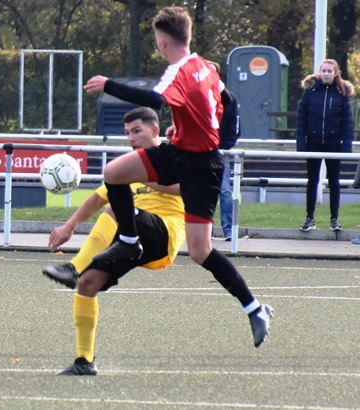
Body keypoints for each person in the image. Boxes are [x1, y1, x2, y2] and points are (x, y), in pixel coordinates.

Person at [83, 6, 273, 350]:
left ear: (162, 42)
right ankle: (129, 238)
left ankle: (255, 308)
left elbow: (154, 100)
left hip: (198, 167)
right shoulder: (205, 66)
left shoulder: (179, 70)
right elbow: (227, 102)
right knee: (114, 173)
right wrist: (211, 136)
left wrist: (108, 85)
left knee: (200, 251)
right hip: (188, 156)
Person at [42, 107, 185, 376]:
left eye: (137, 131)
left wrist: (144, 176)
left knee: (116, 210)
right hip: (131, 235)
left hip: (163, 234)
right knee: (88, 284)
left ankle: (73, 267)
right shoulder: (128, 167)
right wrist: (70, 225)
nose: (131, 138)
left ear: (155, 130)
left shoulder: (172, 156)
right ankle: (84, 361)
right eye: (127, 133)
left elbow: (189, 187)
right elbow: (97, 197)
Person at [296, 59, 354, 232]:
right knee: (312, 181)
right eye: (324, 71)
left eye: (329, 71)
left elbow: (347, 122)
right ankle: (309, 218)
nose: (326, 74)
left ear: (335, 73)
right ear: (320, 72)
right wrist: (301, 144)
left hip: (333, 144)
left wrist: (346, 146)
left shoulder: (341, 93)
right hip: (313, 143)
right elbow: (301, 119)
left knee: (334, 182)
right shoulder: (310, 92)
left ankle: (334, 219)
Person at [208, 61, 241, 241]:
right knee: (202, 191)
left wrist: (223, 147)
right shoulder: (195, 96)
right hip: (200, 151)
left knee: (224, 190)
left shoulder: (230, 98)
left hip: (220, 152)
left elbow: (235, 126)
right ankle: (206, 230)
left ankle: (228, 231)